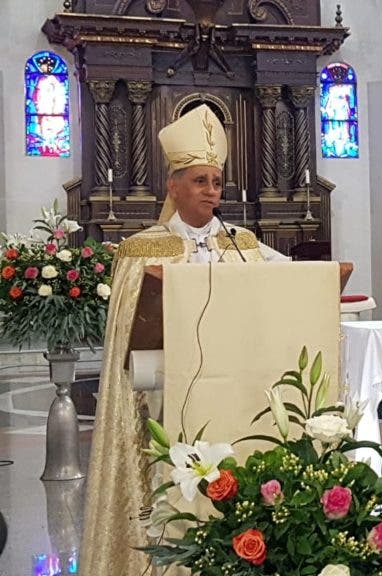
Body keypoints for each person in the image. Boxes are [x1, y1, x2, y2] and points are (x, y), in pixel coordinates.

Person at [80, 104, 287, 576]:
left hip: (235, 390)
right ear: (173, 187)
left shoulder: (245, 244)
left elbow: (282, 291)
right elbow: (129, 333)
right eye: (200, 181)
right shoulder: (142, 249)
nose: (211, 191)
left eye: (216, 181)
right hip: (167, 394)